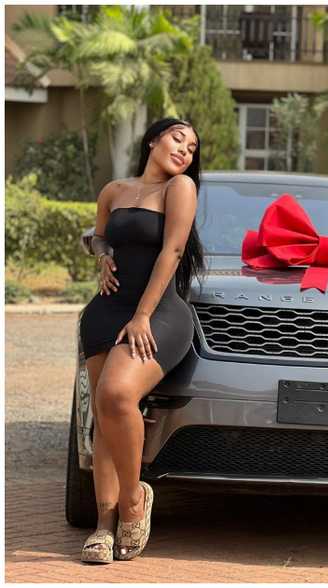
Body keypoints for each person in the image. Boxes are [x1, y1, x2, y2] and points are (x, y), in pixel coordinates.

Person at [76, 117, 205, 563]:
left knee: (116, 394)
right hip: (105, 312)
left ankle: (134, 500)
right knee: (105, 420)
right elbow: (99, 238)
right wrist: (101, 255)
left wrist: (143, 315)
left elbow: (171, 251)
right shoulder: (114, 190)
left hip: (157, 314)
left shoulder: (179, 189)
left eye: (191, 147)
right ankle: (103, 526)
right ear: (153, 139)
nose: (184, 150)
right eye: (177, 138)